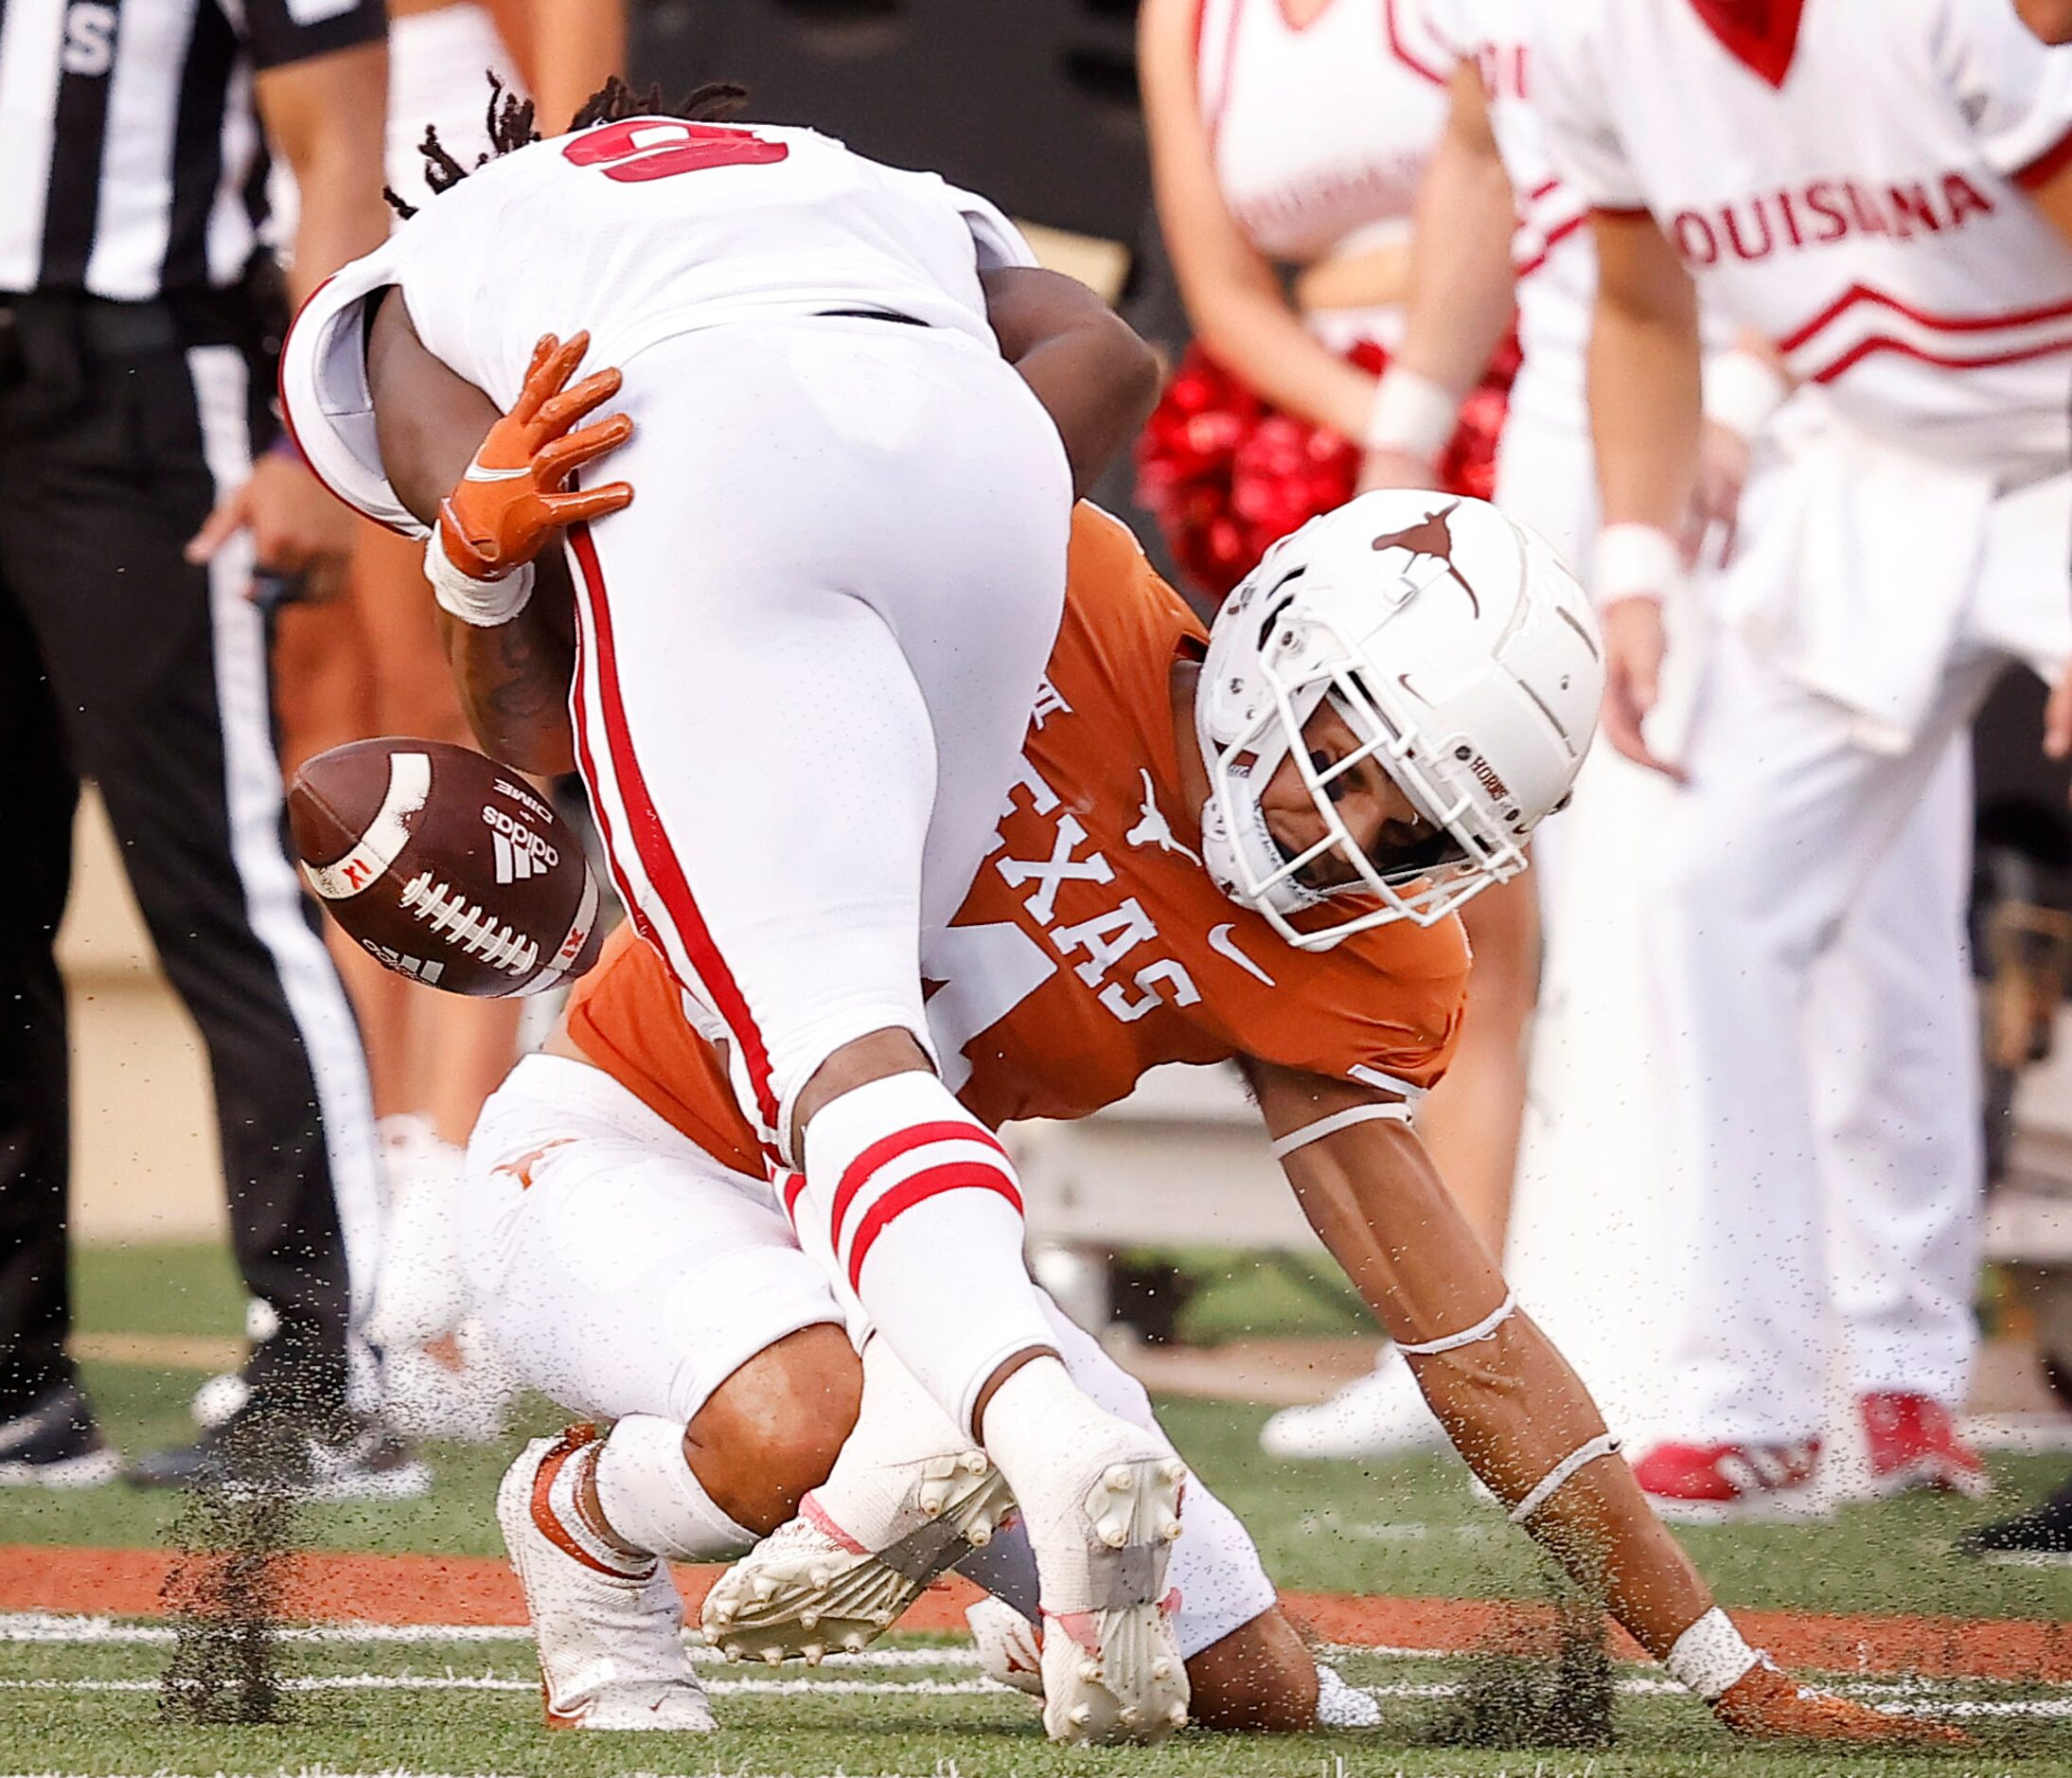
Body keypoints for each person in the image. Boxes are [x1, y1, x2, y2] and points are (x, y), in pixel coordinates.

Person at [1294, 0, 1989, 1508]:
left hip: (1868, 421)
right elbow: (1498, 168)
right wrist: (1409, 441)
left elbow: (1839, 180)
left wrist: (1744, 395)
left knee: (1881, 918)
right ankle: (1686, 1354)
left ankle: (1896, 1364)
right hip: (1593, 424)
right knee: (1647, 909)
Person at [1532, 0, 2072, 1519]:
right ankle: (1753, 1398)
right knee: (1709, 896)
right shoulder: (1593, 44)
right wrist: (1631, 567)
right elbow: (1642, 308)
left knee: (1879, 951)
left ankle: (1898, 1363)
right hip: (1874, 465)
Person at [0, 0, 421, 1497]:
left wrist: (312, 439)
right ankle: (17, 1378)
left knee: (219, 884)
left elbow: (337, 138)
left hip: (142, 392)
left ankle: (322, 1371)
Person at [1137, 0, 1541, 1466]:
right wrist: (1379, 449)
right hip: (1332, 442)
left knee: (1493, 906)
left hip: (1499, 405)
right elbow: (1222, 287)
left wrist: (1418, 448)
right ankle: (1425, 1327)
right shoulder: (1188, 18)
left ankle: (1480, 1310)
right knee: (1380, 904)